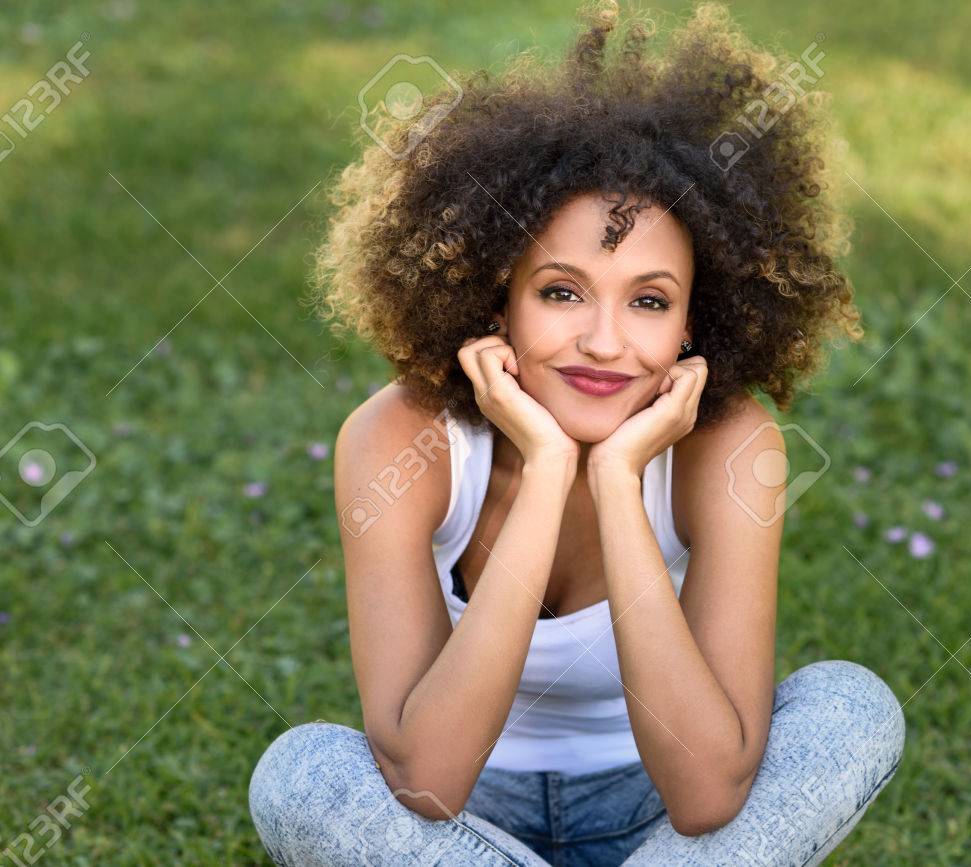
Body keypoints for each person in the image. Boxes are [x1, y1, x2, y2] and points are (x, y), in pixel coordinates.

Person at [249, 1, 902, 863]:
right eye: (560, 291)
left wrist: (621, 478)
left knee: (854, 706)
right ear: (496, 298)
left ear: (693, 325)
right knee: (300, 774)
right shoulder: (398, 443)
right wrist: (552, 466)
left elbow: (708, 796)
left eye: (649, 300)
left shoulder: (730, 447)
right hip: (463, 834)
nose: (604, 341)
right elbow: (429, 781)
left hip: (662, 828)